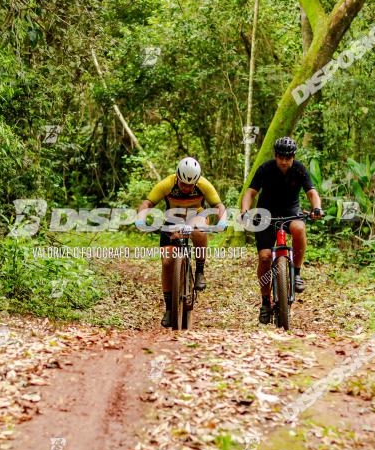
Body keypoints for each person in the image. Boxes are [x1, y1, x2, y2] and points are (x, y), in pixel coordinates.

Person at [240, 137, 323, 324]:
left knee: (299, 228)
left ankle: (297, 274)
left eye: (288, 158)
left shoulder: (299, 169)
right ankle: (265, 302)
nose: (284, 161)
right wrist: (245, 211)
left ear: (293, 157)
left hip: (290, 212)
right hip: (266, 215)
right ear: (275, 156)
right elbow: (250, 192)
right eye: (281, 157)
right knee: (264, 257)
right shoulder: (265, 169)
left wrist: (316, 208)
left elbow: (311, 192)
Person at [136, 157, 226, 327]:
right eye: (183, 184)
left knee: (199, 231)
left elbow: (219, 205)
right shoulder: (166, 184)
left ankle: (200, 271)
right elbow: (147, 203)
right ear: (177, 177)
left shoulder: (204, 185)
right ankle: (169, 309)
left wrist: (222, 221)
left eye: (190, 185)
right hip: (172, 220)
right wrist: (141, 218)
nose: (186, 188)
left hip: (196, 217)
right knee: (167, 261)